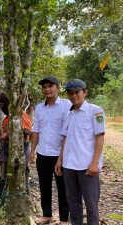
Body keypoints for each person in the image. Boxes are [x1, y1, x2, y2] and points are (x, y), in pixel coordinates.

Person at [55, 79, 105, 225]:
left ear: (85, 92)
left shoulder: (95, 111)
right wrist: (60, 160)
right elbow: (65, 138)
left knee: (91, 205)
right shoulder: (69, 114)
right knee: (73, 203)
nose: (73, 96)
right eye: (70, 93)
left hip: (86, 166)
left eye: (77, 92)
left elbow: (99, 137)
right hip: (69, 165)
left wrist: (95, 163)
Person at [29, 76, 71, 225]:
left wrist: (61, 157)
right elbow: (36, 130)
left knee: (63, 187)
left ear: (58, 88)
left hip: (60, 154)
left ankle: (64, 218)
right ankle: (47, 215)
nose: (47, 89)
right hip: (43, 153)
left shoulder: (66, 106)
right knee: (44, 185)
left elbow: (67, 132)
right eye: (44, 87)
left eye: (50, 86)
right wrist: (32, 151)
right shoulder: (40, 107)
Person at [0, 93, 32, 202]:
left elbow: (27, 132)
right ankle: (2, 199)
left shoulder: (22, 116)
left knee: (21, 173)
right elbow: (3, 141)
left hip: (21, 149)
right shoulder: (6, 119)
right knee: (4, 175)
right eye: (0, 105)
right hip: (6, 151)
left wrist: (9, 133)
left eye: (4, 104)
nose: (2, 107)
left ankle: (23, 197)